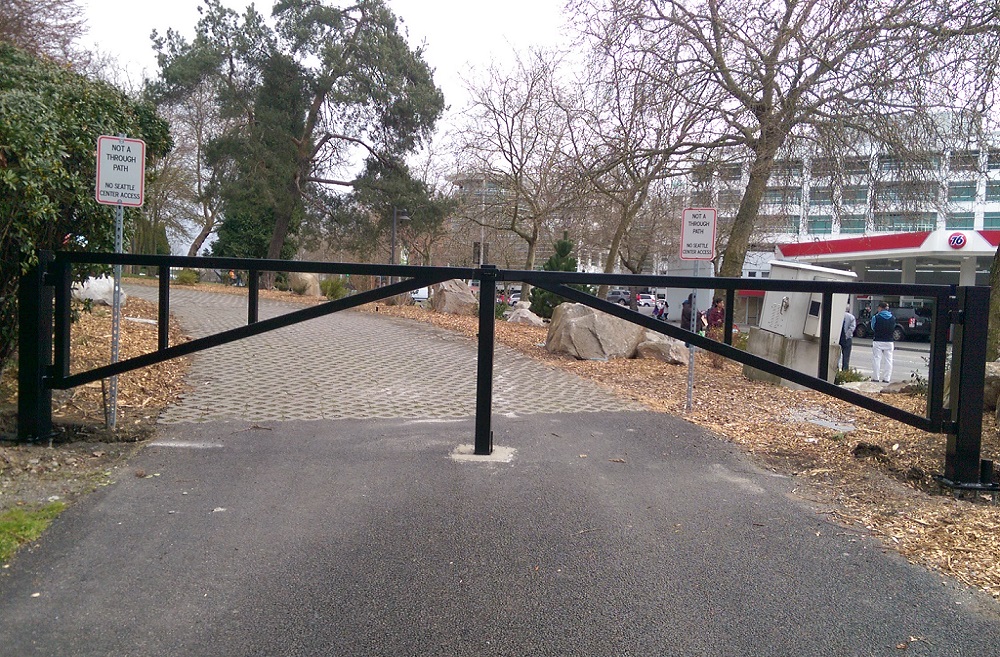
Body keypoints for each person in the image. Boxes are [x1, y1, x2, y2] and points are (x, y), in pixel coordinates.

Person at [870, 301, 895, 383]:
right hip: (889, 341)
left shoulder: (876, 317)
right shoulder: (892, 318)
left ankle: (876, 377)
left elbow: (873, 327)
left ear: (880, 308)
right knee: (889, 360)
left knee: (877, 359)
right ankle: (886, 378)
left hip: (878, 340)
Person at [840, 306, 856, 370]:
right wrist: (847, 336)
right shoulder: (851, 317)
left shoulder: (838, 316)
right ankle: (845, 371)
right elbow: (852, 327)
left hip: (838, 338)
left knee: (836, 356)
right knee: (846, 357)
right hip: (847, 339)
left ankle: (836, 370)